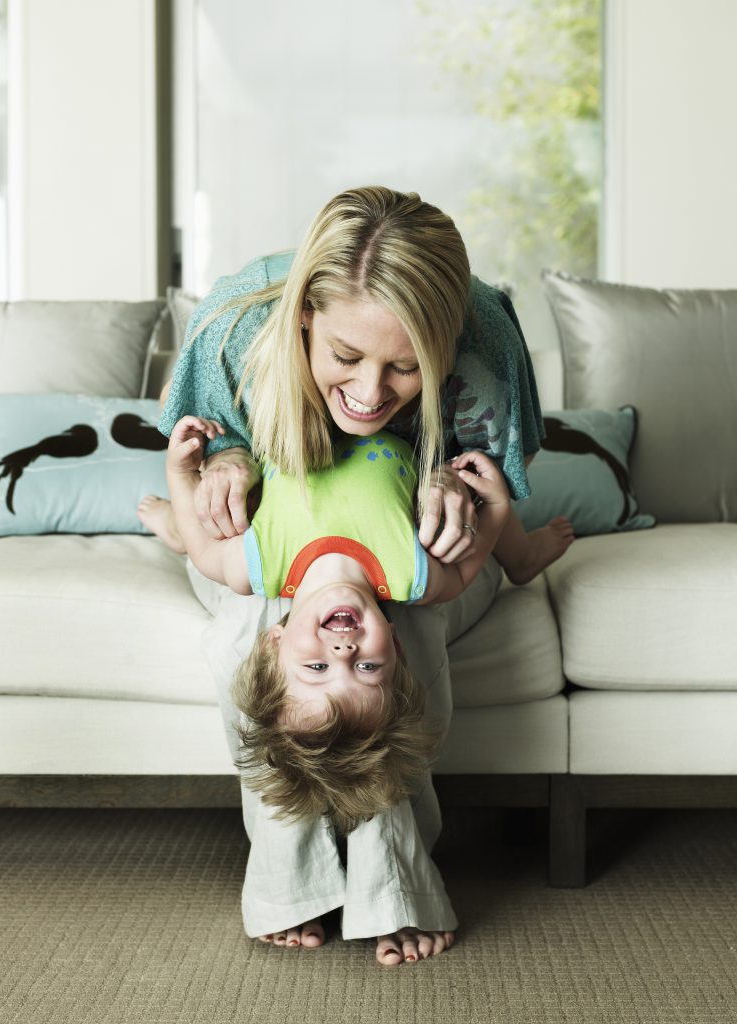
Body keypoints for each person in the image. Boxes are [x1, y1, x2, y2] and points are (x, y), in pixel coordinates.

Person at [146, 185, 572, 965]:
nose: (372, 394)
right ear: (305, 315)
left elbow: (489, 498)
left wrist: (452, 491)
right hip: (266, 549)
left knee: (391, 631)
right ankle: (289, 879)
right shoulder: (235, 326)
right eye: (345, 357)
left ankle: (393, 885)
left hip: (391, 553)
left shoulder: (484, 345)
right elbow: (202, 461)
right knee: (261, 628)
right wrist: (225, 466)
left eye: (408, 369)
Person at [165, 412, 510, 836]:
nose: (345, 654)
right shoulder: (413, 574)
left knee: (194, 530)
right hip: (380, 413)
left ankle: (169, 526)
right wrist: (495, 505)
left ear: (273, 643)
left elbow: (202, 552)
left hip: (302, 412)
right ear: (397, 650)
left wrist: (180, 470)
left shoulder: (255, 566)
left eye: (317, 669)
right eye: (368, 669)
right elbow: (459, 577)